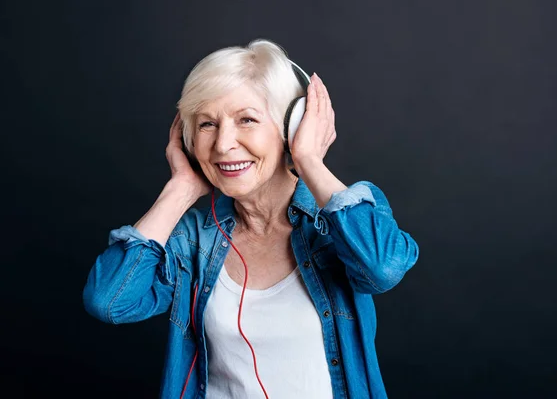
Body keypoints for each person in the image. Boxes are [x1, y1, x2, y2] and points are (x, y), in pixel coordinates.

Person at [83, 39, 419, 399]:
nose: (224, 143)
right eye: (207, 124)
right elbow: (109, 301)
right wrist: (180, 188)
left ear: (290, 129)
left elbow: (383, 269)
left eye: (247, 119)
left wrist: (309, 161)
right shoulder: (194, 241)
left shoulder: (338, 228)